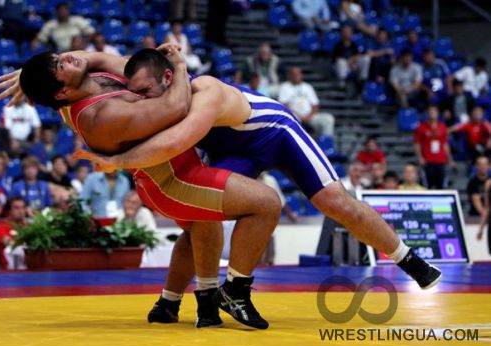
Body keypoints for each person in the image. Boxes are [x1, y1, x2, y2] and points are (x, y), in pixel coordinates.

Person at [71, 49, 442, 301]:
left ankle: (409, 259)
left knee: (335, 201)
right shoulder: (149, 81)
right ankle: (205, 294)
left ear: (169, 77)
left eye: (146, 92)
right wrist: (41, 71)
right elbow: (99, 59)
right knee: (204, 214)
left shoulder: (203, 93)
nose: (141, 101)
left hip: (275, 133)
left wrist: (117, 162)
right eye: (135, 93)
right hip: (231, 149)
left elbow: (172, 144)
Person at [1, 45, 282, 330]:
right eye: (60, 66)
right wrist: (180, 66)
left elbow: (98, 58)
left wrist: (32, 73)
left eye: (58, 57)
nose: (69, 58)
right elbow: (177, 107)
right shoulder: (99, 117)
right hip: (172, 182)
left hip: (176, 169)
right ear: (61, 93)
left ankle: (171, 304)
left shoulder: (83, 79)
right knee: (267, 203)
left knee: (202, 224)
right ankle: (234, 293)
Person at [278, 66, 335, 137]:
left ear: (301, 75)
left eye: (298, 74)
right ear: (289, 76)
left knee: (328, 119)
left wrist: (309, 116)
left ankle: (326, 146)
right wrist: (300, 116)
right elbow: (284, 105)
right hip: (294, 115)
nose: (296, 76)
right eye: (294, 74)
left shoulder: (308, 87)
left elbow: (315, 105)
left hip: (309, 116)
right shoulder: (284, 87)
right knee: (292, 119)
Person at [413, 105, 454, 189]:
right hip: (428, 160)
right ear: (428, 114)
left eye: (434, 112)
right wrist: (420, 158)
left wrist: (450, 159)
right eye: (430, 112)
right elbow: (417, 144)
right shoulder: (421, 127)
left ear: (438, 113)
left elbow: (445, 144)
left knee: (441, 185)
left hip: (440, 160)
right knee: (428, 185)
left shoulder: (442, 127)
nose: (432, 114)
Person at [0, 196, 28, 269]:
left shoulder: (29, 226)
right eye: (16, 208)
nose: (21, 211)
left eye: (23, 207)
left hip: (29, 267)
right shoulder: (2, 227)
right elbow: (7, 242)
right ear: (9, 210)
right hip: (10, 270)